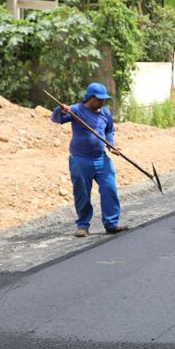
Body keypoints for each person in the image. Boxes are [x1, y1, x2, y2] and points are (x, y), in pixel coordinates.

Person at [51, 82, 127, 238]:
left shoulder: (105, 113)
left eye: (103, 99)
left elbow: (109, 131)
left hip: (101, 159)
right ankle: (83, 225)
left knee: (109, 188)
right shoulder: (76, 110)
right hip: (81, 160)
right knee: (82, 193)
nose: (102, 102)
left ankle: (111, 223)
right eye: (99, 99)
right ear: (90, 97)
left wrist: (111, 146)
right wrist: (60, 110)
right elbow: (56, 119)